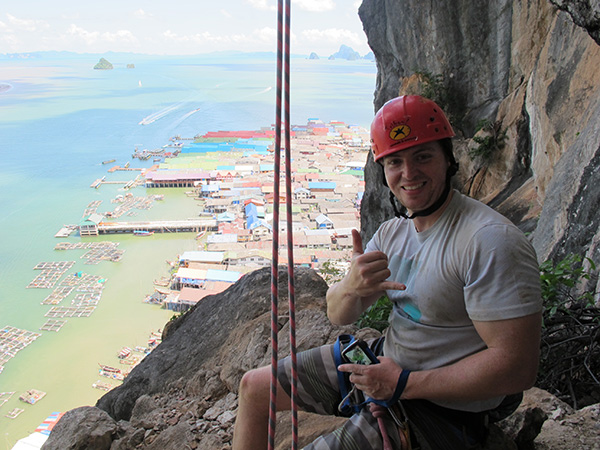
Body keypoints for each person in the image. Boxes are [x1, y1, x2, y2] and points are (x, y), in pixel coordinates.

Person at [232, 95, 542, 449]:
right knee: (255, 388)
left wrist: (404, 384)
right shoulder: (394, 234)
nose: (409, 174)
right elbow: (338, 314)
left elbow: (518, 367)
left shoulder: (488, 241)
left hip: (439, 408)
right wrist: (351, 285)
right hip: (386, 364)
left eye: (423, 157)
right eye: (395, 162)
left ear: (448, 160)